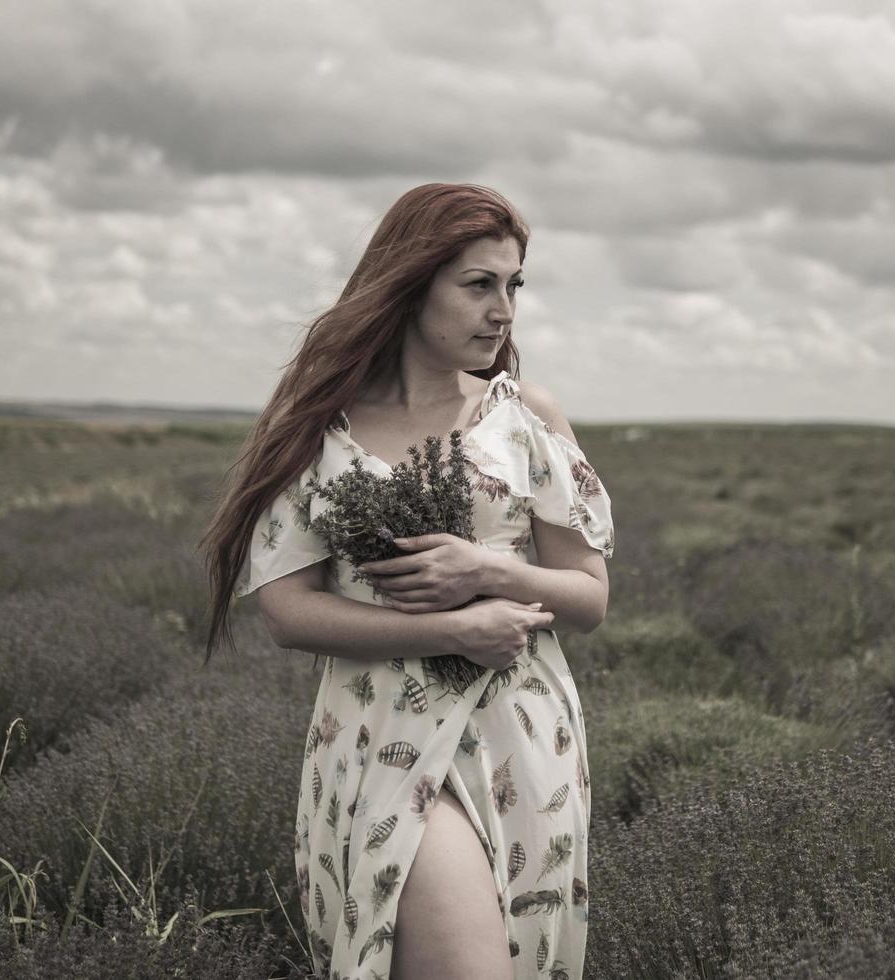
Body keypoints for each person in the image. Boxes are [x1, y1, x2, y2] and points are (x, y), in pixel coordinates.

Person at [199, 183, 614, 980]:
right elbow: (287, 612)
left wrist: (485, 569)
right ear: (410, 282)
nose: (504, 310)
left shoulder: (525, 416)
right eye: (478, 284)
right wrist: (450, 629)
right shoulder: (322, 423)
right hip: (379, 733)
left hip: (520, 735)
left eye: (513, 285)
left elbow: (588, 596)